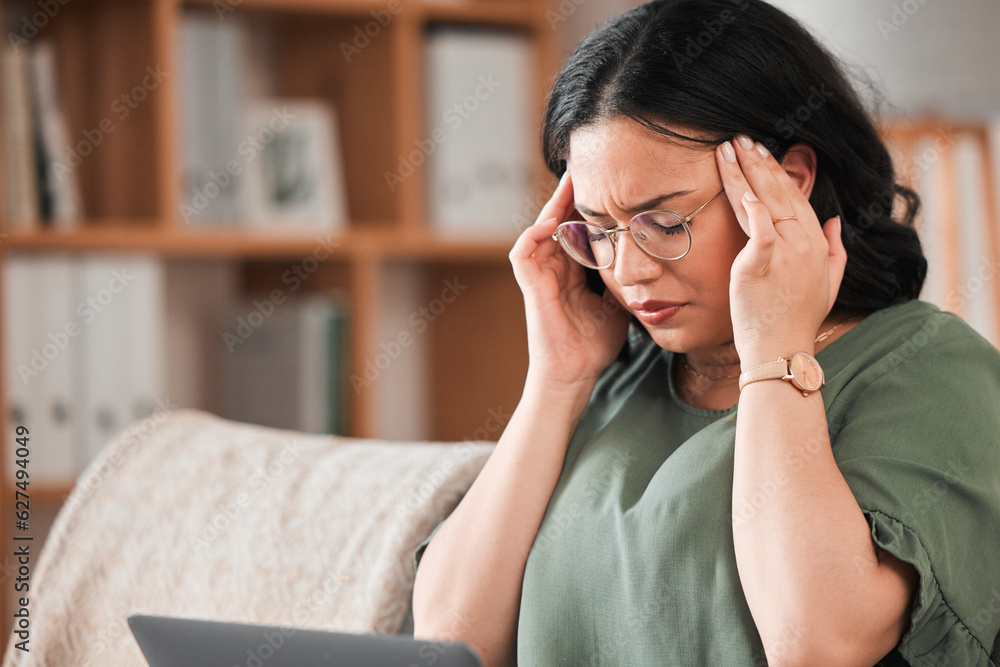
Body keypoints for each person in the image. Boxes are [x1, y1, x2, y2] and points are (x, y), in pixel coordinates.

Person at [411, 0, 1000, 665]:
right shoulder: (611, 374)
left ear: (789, 182)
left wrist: (775, 348)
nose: (627, 269)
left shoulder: (930, 367)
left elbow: (819, 643)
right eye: (599, 229)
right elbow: (447, 641)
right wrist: (557, 378)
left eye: (664, 223)